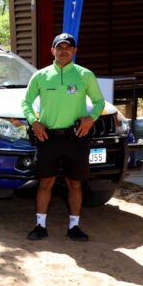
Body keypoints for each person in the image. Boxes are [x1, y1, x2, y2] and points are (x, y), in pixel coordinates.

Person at [21, 32, 105, 242]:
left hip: (76, 137)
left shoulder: (85, 75)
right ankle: (40, 226)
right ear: (53, 50)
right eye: (60, 47)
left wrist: (91, 118)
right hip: (48, 137)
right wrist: (34, 121)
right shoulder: (40, 76)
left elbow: (99, 102)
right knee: (45, 183)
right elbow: (26, 103)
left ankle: (74, 228)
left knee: (75, 184)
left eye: (68, 48)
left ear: (74, 51)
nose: (64, 51)